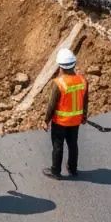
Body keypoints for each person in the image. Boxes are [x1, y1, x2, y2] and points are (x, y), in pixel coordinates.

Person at [43, 48, 89, 179]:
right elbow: (85, 100)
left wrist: (46, 120)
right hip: (75, 121)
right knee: (73, 144)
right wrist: (84, 116)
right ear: (73, 65)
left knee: (58, 146)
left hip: (60, 122)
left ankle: (55, 171)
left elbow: (52, 104)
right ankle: (73, 169)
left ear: (60, 67)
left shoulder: (59, 83)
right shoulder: (82, 80)